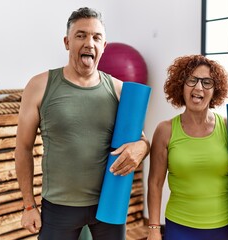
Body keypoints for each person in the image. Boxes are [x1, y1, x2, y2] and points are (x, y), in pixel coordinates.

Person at [14, 7, 150, 240]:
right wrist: (29, 206)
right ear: (67, 42)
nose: (89, 43)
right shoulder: (39, 86)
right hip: (58, 207)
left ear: (104, 47)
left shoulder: (118, 89)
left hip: (108, 205)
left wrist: (142, 147)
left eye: (96, 37)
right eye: (81, 35)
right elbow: (23, 148)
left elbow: (143, 139)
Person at [146, 55, 228, 240]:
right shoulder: (165, 130)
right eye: (191, 80)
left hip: (225, 227)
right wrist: (154, 228)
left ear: (215, 89)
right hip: (179, 226)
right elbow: (155, 183)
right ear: (181, 85)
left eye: (207, 82)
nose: (198, 87)